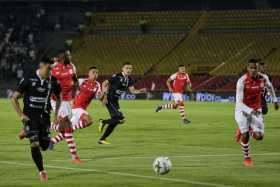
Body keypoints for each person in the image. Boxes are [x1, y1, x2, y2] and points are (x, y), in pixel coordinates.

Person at [10, 60, 61, 181]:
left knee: (44, 146)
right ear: (42, 66)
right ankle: (42, 171)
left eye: (51, 69)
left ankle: (25, 131)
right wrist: (21, 115)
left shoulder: (52, 81)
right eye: (49, 69)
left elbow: (59, 98)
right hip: (30, 117)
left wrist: (56, 115)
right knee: (34, 144)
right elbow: (14, 98)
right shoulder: (29, 79)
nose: (50, 71)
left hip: (45, 117)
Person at [50, 66, 106, 150]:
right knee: (88, 120)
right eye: (93, 72)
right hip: (75, 107)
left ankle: (51, 141)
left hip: (80, 109)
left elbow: (100, 98)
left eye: (97, 72)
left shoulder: (97, 85)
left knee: (68, 130)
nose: (95, 74)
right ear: (89, 73)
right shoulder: (81, 81)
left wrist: (104, 92)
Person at [234, 59, 278, 167]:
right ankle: (247, 157)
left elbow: (270, 87)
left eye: (255, 68)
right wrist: (250, 111)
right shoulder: (242, 81)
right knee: (245, 135)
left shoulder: (263, 78)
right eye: (251, 68)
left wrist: (275, 100)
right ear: (247, 68)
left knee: (259, 136)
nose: (253, 70)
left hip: (256, 109)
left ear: (258, 69)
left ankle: (248, 128)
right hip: (242, 110)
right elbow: (238, 102)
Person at [98, 62, 147, 144]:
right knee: (120, 118)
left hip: (115, 101)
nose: (128, 70)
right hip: (109, 99)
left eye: (130, 68)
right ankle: (102, 121)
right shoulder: (117, 76)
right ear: (122, 69)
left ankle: (102, 139)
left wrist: (140, 91)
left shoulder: (129, 79)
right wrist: (105, 96)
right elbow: (104, 83)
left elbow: (132, 91)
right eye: (127, 68)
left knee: (116, 120)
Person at [50, 51, 81, 163]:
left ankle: (44, 128)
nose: (70, 56)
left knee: (64, 128)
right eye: (68, 55)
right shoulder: (54, 69)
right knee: (68, 127)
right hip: (58, 100)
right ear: (62, 58)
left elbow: (75, 81)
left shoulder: (71, 67)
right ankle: (74, 157)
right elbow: (53, 88)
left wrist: (73, 96)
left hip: (67, 100)